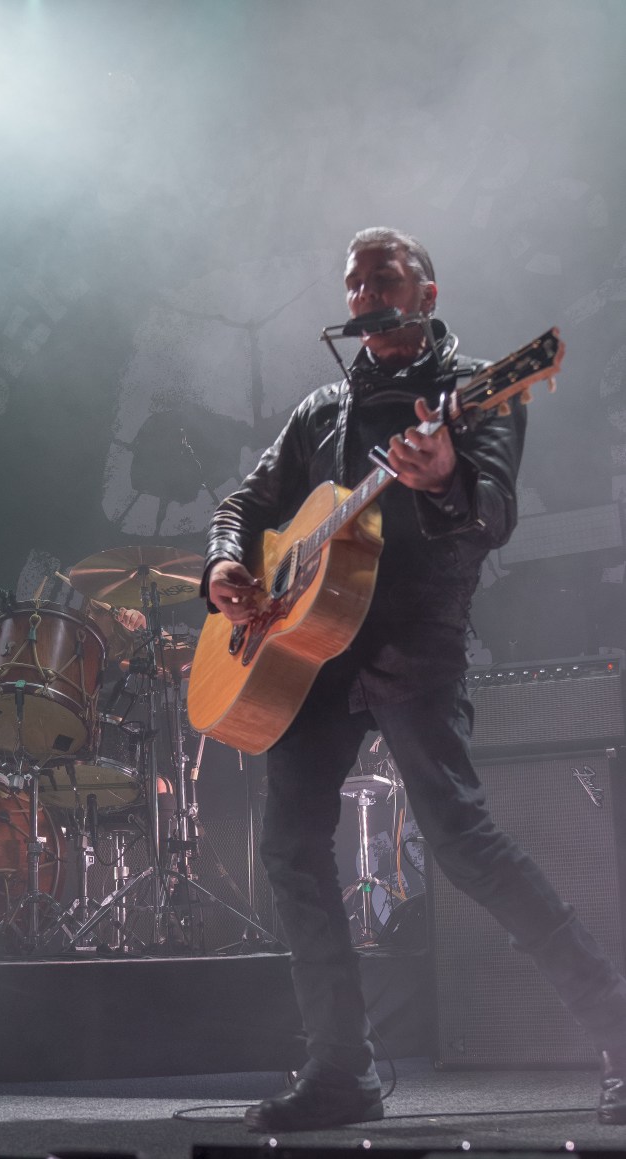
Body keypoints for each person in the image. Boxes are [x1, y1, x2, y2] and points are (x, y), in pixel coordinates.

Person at [200, 226, 626, 1132]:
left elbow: (495, 514)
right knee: (289, 848)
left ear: (428, 293)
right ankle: (339, 1069)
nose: (363, 294)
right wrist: (226, 566)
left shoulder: (475, 394)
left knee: (463, 842)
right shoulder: (320, 408)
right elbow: (245, 502)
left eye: (383, 277)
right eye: (352, 282)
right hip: (309, 651)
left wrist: (442, 482)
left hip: (414, 640)